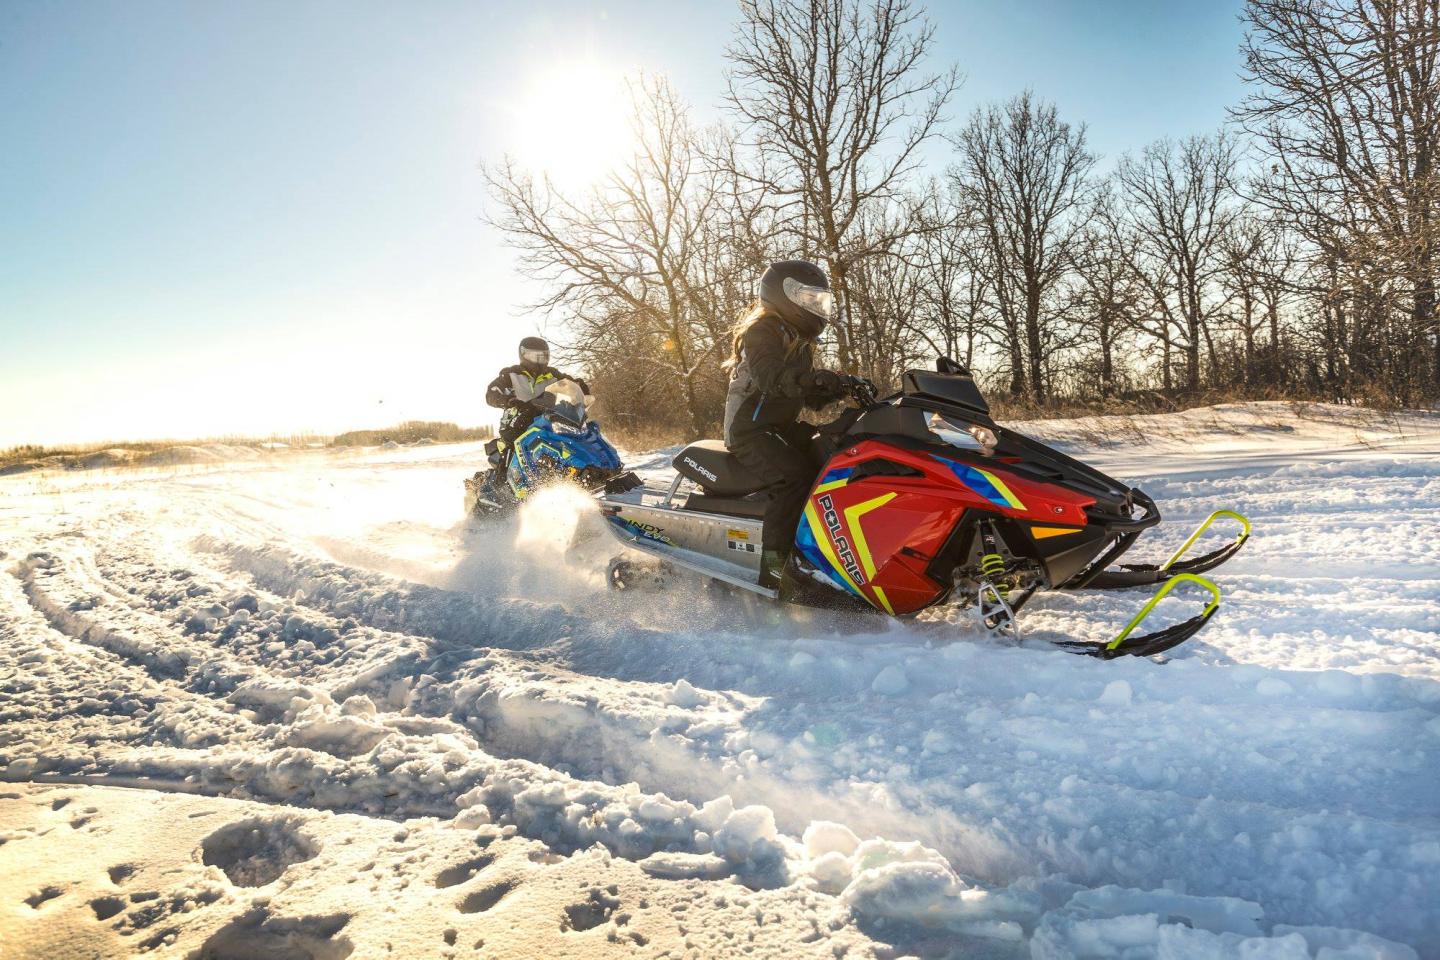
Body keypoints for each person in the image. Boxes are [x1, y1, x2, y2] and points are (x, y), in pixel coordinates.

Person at [723, 260, 851, 588]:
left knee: (834, 451)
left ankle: (825, 551)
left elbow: (805, 396)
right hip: (750, 430)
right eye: (808, 299)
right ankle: (775, 573)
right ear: (785, 296)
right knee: (794, 478)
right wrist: (811, 379)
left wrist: (836, 388)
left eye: (818, 300)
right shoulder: (763, 330)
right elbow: (771, 378)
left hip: (777, 427)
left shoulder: (799, 340)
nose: (815, 307)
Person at [485, 336, 589, 478]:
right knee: (512, 443)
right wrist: (509, 400)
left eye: (543, 356)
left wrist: (580, 386)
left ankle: (580, 470)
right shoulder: (510, 374)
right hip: (517, 419)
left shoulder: (553, 374)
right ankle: (502, 479)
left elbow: (570, 384)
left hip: (547, 419)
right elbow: (492, 393)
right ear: (524, 355)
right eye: (536, 357)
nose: (540, 361)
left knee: (571, 437)